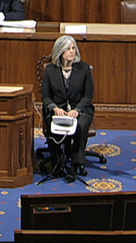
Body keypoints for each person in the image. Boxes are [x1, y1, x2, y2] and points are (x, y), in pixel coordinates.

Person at [41, 35, 95, 179]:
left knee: (81, 125)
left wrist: (77, 110)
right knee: (53, 124)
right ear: (60, 51)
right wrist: (54, 108)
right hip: (57, 108)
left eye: (73, 48)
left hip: (80, 108)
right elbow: (46, 96)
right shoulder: (50, 70)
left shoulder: (84, 68)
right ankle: (57, 162)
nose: (72, 51)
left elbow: (88, 95)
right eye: (68, 49)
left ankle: (77, 162)